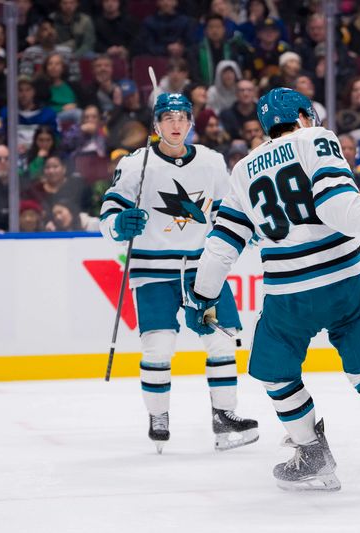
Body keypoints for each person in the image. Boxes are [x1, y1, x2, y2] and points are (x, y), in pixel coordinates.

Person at [190, 87, 360, 493]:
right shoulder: (318, 138)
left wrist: (204, 295)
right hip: (345, 282)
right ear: (304, 115)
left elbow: (221, 246)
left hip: (289, 293)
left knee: (276, 375)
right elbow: (338, 208)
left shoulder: (244, 167)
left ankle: (311, 453)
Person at [98, 92, 258, 454]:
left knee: (220, 340)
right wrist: (120, 224)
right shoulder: (136, 164)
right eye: (168, 118)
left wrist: (243, 234)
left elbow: (226, 211)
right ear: (156, 125)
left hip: (202, 271)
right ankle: (159, 417)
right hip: (154, 271)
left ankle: (225, 415)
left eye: (182, 118)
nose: (175, 125)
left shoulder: (213, 162)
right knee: (158, 346)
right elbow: (108, 215)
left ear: (190, 123)